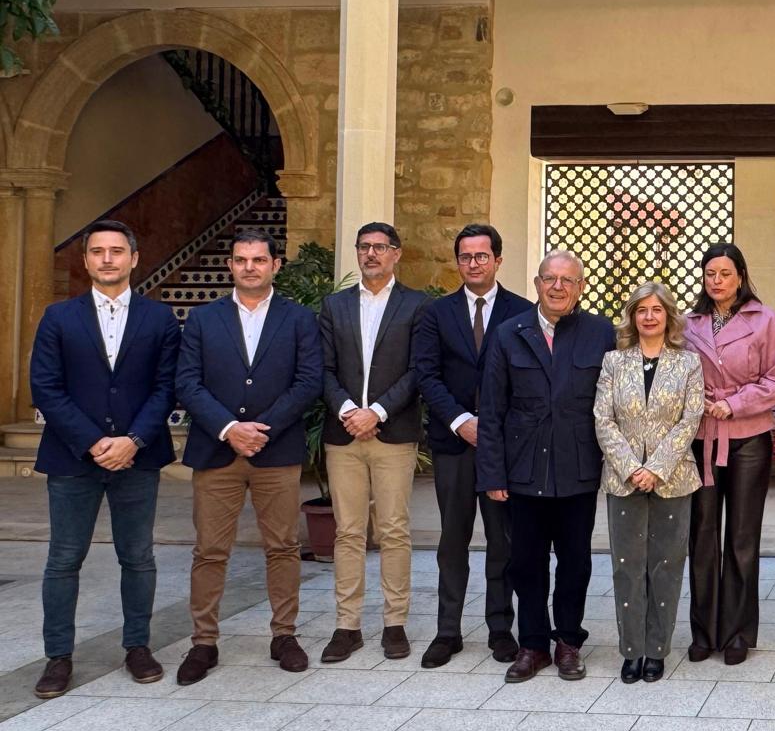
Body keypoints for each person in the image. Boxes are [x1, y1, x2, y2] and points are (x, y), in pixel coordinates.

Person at [29, 220, 180, 699]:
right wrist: (94, 442)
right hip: (73, 458)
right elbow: (46, 387)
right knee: (63, 559)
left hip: (139, 457)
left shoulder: (159, 319)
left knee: (137, 556)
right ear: (86, 260)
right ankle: (58, 656)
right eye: (98, 251)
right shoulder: (58, 317)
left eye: (117, 251)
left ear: (134, 258)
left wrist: (132, 440)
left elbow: (166, 387)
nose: (108, 259)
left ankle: (137, 646)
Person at [173, 227, 322, 683]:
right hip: (216, 450)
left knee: (283, 547)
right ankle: (203, 642)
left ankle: (284, 635)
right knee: (209, 550)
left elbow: (308, 381)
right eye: (241, 260)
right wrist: (229, 429)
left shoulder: (299, 319)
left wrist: (262, 430)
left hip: (275, 452)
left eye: (259, 260)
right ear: (230, 265)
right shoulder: (203, 319)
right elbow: (187, 382)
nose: (249, 267)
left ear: (275, 265)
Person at [477, 250, 615, 684]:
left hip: (578, 468)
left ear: (581, 287)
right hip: (523, 470)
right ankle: (533, 644)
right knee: (525, 562)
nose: (558, 287)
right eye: (550, 279)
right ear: (537, 284)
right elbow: (492, 408)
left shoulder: (600, 333)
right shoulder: (508, 333)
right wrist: (493, 474)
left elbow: (615, 402)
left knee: (575, 562)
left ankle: (568, 641)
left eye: (567, 280)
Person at [411, 223, 534, 669]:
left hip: (504, 447)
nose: (474, 263)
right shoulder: (436, 313)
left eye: (482, 256)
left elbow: (528, 379)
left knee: (503, 540)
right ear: (458, 262)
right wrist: (461, 421)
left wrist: (495, 428)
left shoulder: (523, 311)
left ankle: (500, 628)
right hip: (454, 443)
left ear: (498, 259)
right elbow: (426, 374)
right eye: (466, 256)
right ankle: (448, 631)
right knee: (453, 538)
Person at [318, 221, 426, 663]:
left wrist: (376, 412)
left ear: (396, 253)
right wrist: (349, 411)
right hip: (343, 435)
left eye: (380, 247)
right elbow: (323, 368)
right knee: (347, 531)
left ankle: (394, 623)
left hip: (393, 433)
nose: (371, 254)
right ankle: (347, 626)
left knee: (394, 529)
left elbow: (418, 370)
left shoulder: (416, 305)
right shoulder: (335, 305)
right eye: (364, 247)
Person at [683, 243, 775, 666]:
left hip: (748, 437)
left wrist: (735, 403)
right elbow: (677, 374)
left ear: (741, 277)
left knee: (742, 538)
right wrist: (697, 401)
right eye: (710, 273)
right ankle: (703, 631)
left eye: (725, 273)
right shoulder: (689, 323)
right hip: (702, 437)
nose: (717, 281)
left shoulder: (764, 320)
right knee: (702, 535)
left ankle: (738, 633)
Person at [594, 282, 705, 683]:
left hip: (673, 478)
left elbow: (691, 419)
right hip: (623, 479)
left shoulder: (688, 363)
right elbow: (603, 419)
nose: (649, 316)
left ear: (668, 316)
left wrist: (656, 467)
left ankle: (657, 650)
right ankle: (632, 651)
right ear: (632, 316)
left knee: (666, 566)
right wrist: (630, 467)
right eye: (641, 310)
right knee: (627, 567)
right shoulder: (613, 362)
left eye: (657, 309)